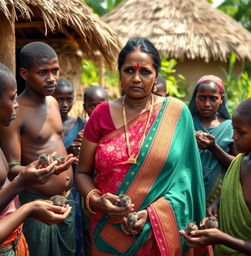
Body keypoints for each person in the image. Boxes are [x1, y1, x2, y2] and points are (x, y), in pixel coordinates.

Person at [76, 37, 212, 255]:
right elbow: (82, 172)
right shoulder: (100, 115)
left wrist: (152, 215)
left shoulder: (176, 114)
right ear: (119, 74)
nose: (136, 78)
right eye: (129, 70)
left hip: (159, 237)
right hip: (108, 233)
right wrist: (96, 199)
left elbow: (187, 184)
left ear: (156, 75)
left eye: (145, 72)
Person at [0, 42, 77, 256]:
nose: (52, 78)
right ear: (24, 73)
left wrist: (67, 156)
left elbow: (51, 146)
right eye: (43, 72)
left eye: (55, 71)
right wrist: (40, 172)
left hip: (65, 201)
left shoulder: (53, 103)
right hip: (37, 205)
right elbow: (12, 168)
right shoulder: (14, 112)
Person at [181, 96, 251, 256]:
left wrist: (223, 239)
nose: (233, 137)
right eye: (233, 129)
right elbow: (234, 190)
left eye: (241, 132)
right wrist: (217, 203)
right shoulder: (241, 161)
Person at [188, 75, 236, 213]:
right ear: (195, 98)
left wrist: (213, 148)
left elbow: (238, 164)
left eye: (213, 98)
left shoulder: (230, 127)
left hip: (218, 198)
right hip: (188, 192)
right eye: (202, 97)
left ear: (221, 99)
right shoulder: (186, 122)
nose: (207, 104)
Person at [54, 77, 86, 256]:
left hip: (72, 188)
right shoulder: (45, 125)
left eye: (69, 98)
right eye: (60, 99)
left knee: (72, 235)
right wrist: (67, 150)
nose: (65, 104)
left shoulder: (81, 125)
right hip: (47, 188)